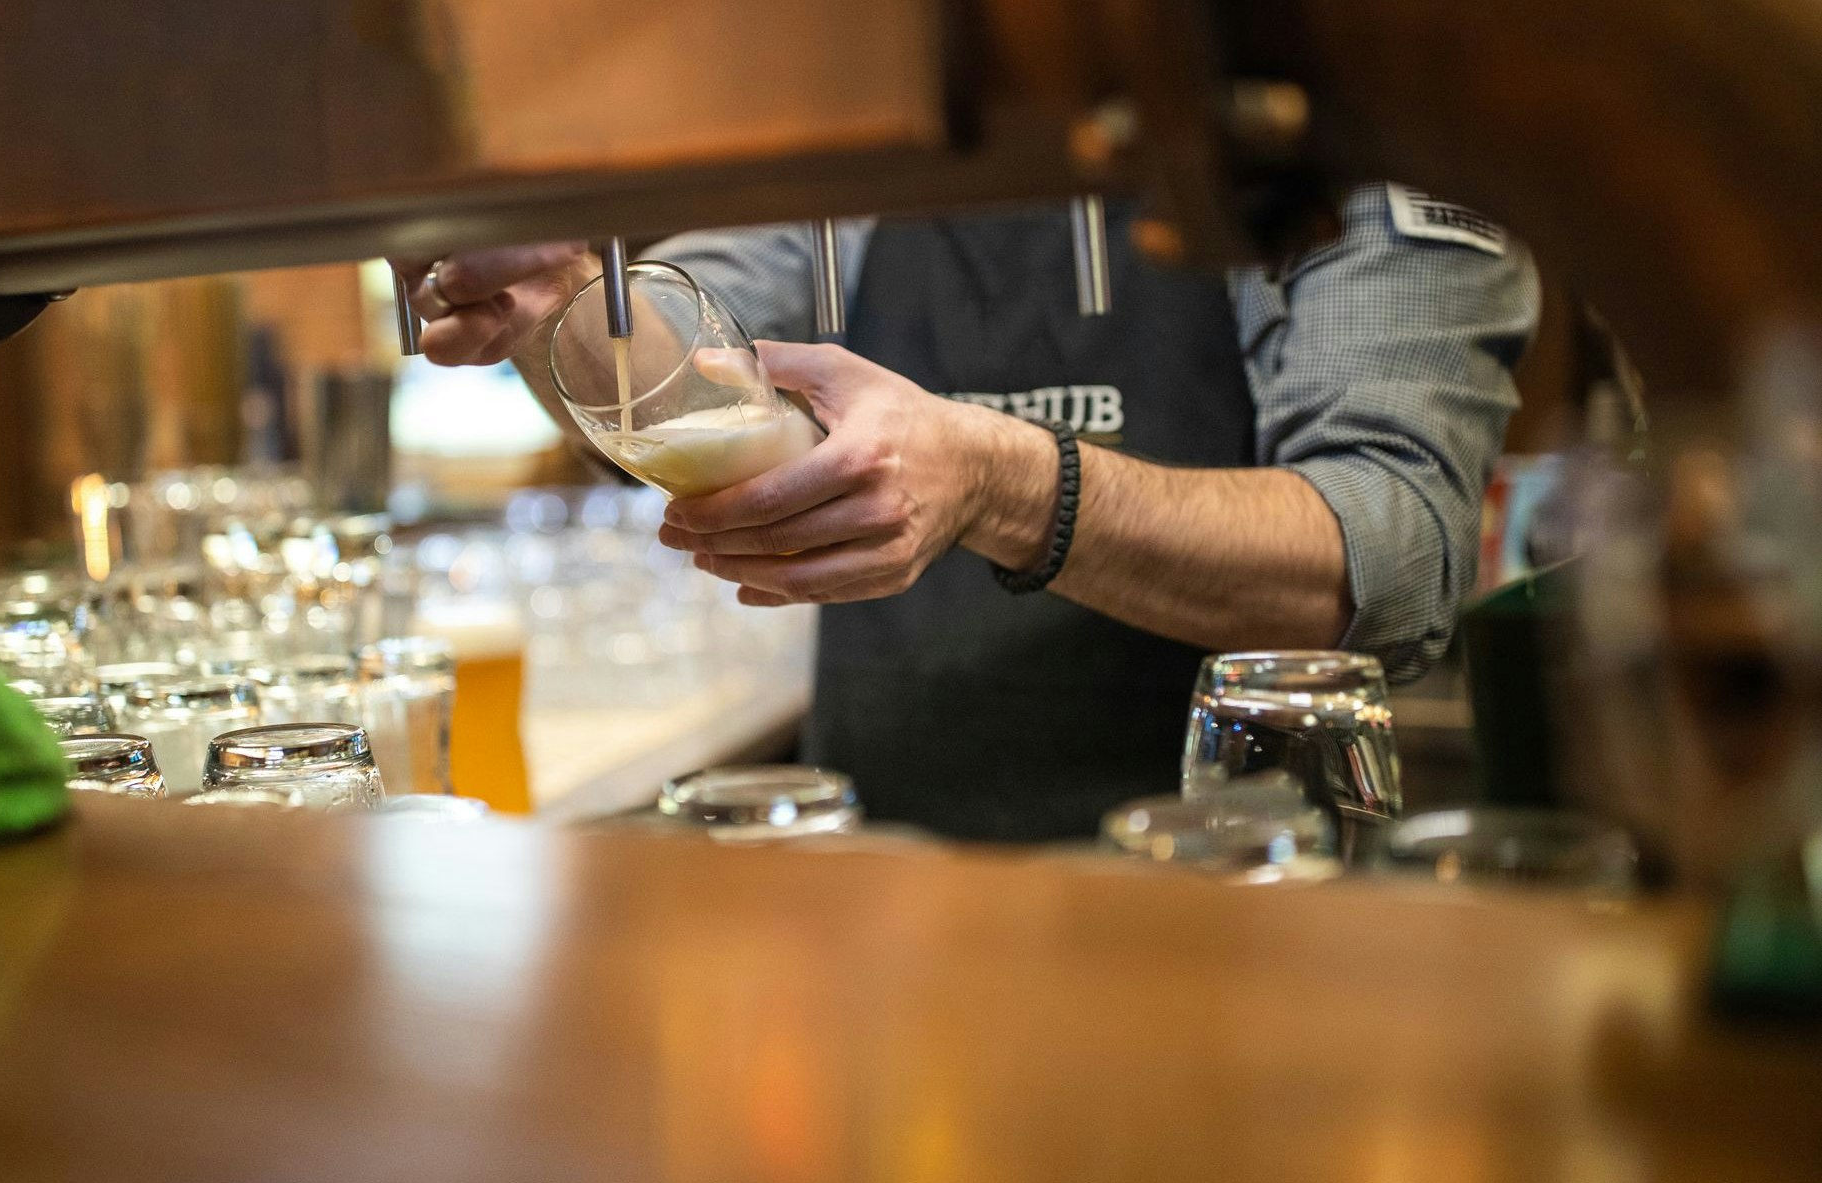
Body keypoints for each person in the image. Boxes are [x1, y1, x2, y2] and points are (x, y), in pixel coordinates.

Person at [396, 184, 1539, 840]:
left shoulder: (1333, 153)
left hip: (1231, 904)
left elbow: (1392, 551)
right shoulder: (876, 146)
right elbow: (684, 365)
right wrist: (555, 300)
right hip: (893, 891)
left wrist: (1004, 481)